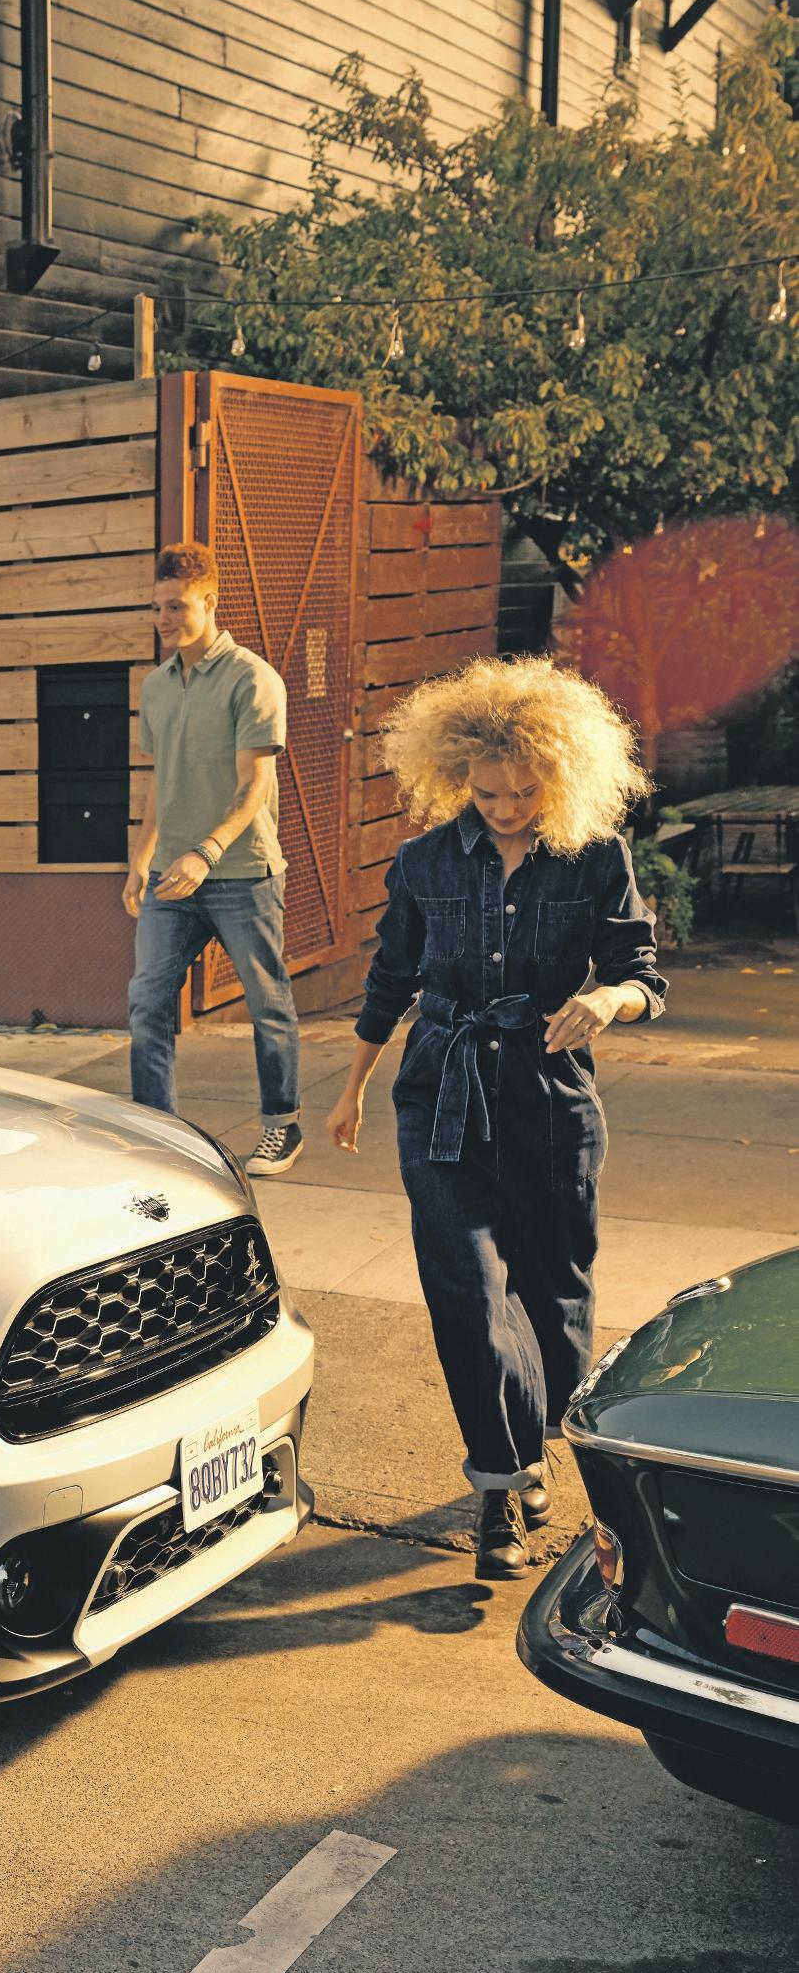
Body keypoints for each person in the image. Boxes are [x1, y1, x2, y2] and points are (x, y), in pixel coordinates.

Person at [325, 655, 662, 1583]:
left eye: (524, 791)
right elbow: (391, 978)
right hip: (441, 1092)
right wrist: (353, 1085)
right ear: (454, 775)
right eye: (487, 792)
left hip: (550, 1100)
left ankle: (536, 1437)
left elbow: (643, 972)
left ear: (559, 774)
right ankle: (501, 1486)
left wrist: (610, 1000)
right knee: (469, 1290)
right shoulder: (424, 861)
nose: (506, 808)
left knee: (554, 1290)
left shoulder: (596, 856)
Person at [125, 544, 303, 1175]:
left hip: (242, 873)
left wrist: (207, 851)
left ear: (209, 602)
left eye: (176, 606)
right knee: (147, 1001)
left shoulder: (252, 679)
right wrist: (141, 857)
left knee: (266, 1003)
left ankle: (282, 1125)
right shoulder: (155, 686)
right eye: (156, 608)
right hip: (171, 877)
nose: (163, 619)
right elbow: (161, 780)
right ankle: (157, 1129)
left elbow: (254, 783)